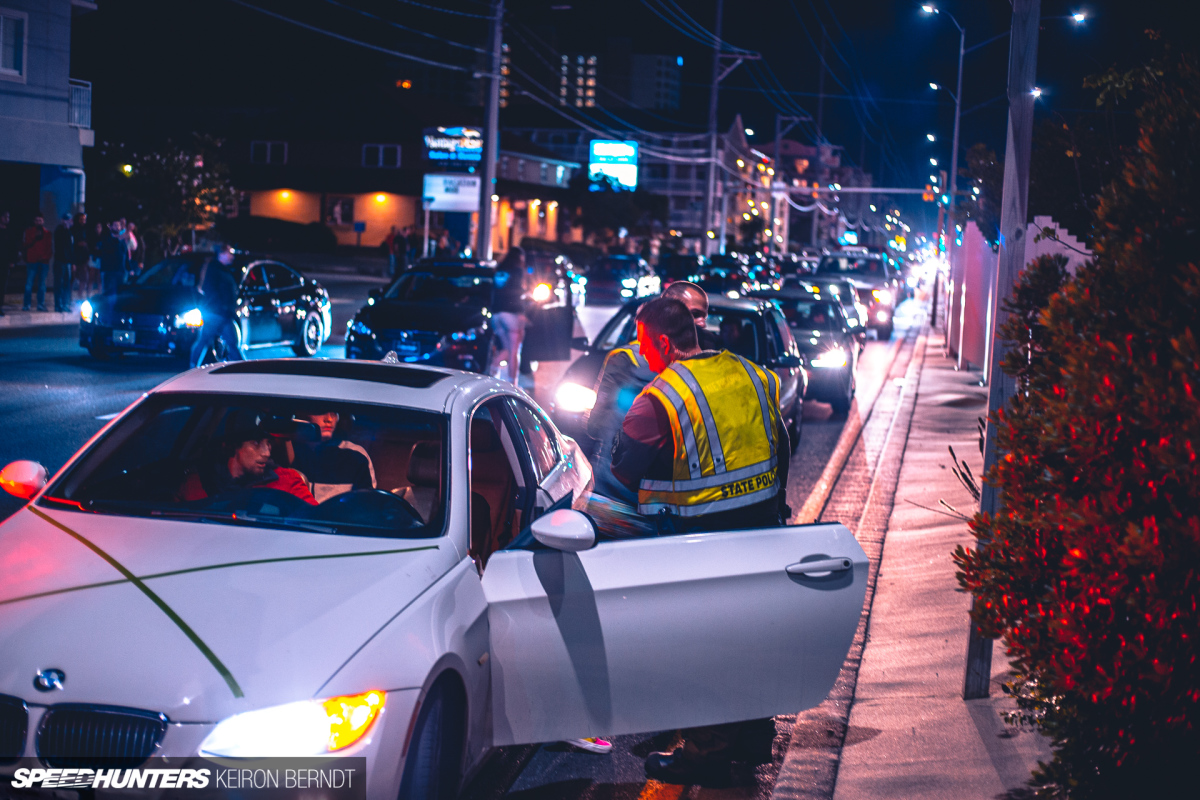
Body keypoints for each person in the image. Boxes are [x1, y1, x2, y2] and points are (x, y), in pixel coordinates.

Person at [610, 296, 789, 785]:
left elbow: (622, 473)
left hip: (699, 540)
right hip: (761, 530)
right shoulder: (753, 375)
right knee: (749, 641)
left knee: (700, 648)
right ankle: (753, 738)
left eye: (644, 345)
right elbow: (781, 445)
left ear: (664, 343)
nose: (642, 355)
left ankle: (703, 754)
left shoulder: (658, 397)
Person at [176, 411, 316, 505]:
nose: (266, 453)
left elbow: (316, 520)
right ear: (232, 446)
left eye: (268, 443)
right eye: (256, 443)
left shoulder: (287, 481)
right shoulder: (196, 484)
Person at [289, 409, 377, 503]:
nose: (329, 419)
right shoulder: (289, 450)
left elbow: (366, 504)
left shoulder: (356, 455)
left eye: (334, 413)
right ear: (303, 415)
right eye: (322, 412)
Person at [190, 244, 245, 367]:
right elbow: (209, 290)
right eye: (229, 253)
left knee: (231, 343)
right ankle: (193, 366)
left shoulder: (223, 270)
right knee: (205, 341)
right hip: (215, 313)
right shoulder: (214, 269)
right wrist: (223, 307)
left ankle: (242, 368)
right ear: (221, 254)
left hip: (223, 314)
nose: (232, 256)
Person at [492, 246, 529, 384]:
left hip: (496, 314)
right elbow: (517, 293)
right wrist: (521, 312)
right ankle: (513, 383)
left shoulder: (499, 270)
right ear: (520, 258)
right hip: (511, 314)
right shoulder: (517, 271)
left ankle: (492, 370)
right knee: (514, 351)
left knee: (506, 349)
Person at [662, 280, 722, 350]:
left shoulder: (707, 343)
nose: (703, 324)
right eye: (695, 314)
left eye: (704, 317)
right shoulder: (649, 349)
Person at [22, 214, 52, 312]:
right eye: (36, 220)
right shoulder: (29, 232)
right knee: (29, 284)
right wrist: (34, 238)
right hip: (32, 261)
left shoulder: (47, 233)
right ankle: (26, 304)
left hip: (43, 262)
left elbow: (49, 248)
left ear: (43, 221)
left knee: (42, 284)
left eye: (40, 220)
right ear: (34, 221)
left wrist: (45, 258)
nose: (38, 222)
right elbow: (26, 245)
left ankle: (40, 304)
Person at [96, 220, 129, 295]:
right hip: (109, 271)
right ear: (110, 227)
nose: (117, 227)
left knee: (120, 293)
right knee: (108, 293)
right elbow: (109, 250)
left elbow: (125, 254)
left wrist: (128, 268)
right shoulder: (106, 239)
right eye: (115, 225)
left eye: (119, 225)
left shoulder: (122, 240)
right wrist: (118, 240)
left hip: (120, 270)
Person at [52, 214, 73, 312]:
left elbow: (70, 247)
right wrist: (65, 228)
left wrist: (72, 262)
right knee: (58, 284)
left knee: (66, 284)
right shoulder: (59, 230)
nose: (68, 222)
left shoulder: (69, 231)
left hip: (67, 262)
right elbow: (60, 243)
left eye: (69, 220)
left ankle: (65, 304)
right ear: (62, 220)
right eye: (66, 220)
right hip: (59, 261)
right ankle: (58, 305)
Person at [70, 213, 91, 296]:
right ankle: (69, 297)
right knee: (72, 278)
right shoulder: (73, 230)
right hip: (74, 258)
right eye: (81, 219)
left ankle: (79, 296)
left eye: (84, 219)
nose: (83, 221)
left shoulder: (86, 230)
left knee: (84, 278)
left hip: (84, 259)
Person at [0, 211, 17, 316]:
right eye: (5, 217)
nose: (7, 219)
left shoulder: (10, 232)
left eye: (8, 217)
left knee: (2, 286)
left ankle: (0, 307)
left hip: (5, 262)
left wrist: (12, 261)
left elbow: (12, 248)